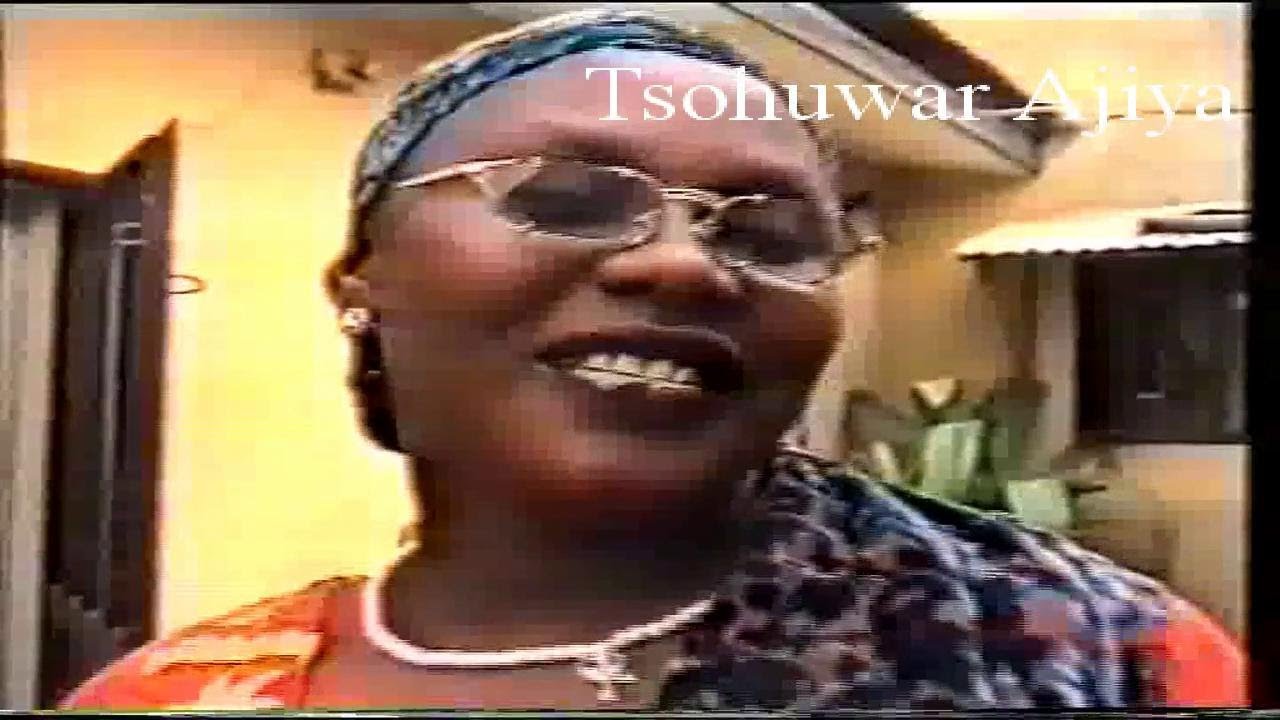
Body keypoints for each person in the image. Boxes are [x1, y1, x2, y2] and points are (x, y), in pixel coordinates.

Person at [60, 9, 1244, 711]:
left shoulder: (1107, 657)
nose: (683, 266)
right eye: (564, 198)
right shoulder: (163, 698)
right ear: (362, 287)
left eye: (769, 233)